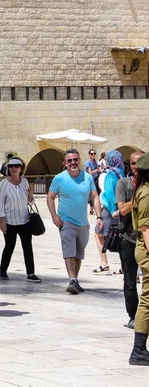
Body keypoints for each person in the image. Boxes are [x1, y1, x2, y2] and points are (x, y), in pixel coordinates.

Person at [47, 148, 102, 295]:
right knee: (69, 251)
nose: (73, 163)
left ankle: (75, 279)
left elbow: (95, 197)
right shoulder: (59, 178)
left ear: (79, 161)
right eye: (69, 160)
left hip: (83, 222)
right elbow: (50, 197)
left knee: (79, 253)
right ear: (65, 163)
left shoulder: (88, 178)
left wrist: (99, 216)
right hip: (66, 221)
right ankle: (71, 279)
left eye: (75, 160)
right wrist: (54, 216)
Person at [0, 157, 40, 282]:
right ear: (8, 168)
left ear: (21, 168)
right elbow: (0, 203)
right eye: (11, 166)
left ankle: (31, 273)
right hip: (10, 221)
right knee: (9, 246)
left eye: (17, 166)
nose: (14, 168)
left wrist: (31, 194)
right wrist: (2, 219)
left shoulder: (25, 181)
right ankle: (3, 270)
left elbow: (30, 202)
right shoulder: (4, 183)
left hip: (24, 219)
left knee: (27, 247)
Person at [116, 151, 144, 330]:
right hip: (128, 238)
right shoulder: (123, 184)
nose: (136, 168)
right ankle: (133, 315)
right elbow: (123, 210)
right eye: (134, 164)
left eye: (140, 164)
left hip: (145, 238)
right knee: (129, 281)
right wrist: (140, 195)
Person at [129, 153, 149, 366]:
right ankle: (139, 350)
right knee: (148, 300)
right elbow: (145, 228)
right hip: (147, 251)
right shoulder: (146, 193)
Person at [94, 151, 125, 274]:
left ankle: (104, 263)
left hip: (110, 209)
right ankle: (124, 266)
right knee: (120, 236)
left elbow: (110, 194)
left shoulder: (110, 174)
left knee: (98, 233)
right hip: (121, 209)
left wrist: (112, 210)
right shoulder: (121, 172)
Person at [85, 149, 100, 214]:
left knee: (95, 195)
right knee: (91, 196)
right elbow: (90, 172)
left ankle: (92, 210)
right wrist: (97, 170)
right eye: (92, 154)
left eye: (94, 153)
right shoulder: (88, 162)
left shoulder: (94, 161)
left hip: (96, 180)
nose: (93, 155)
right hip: (90, 181)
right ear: (89, 154)